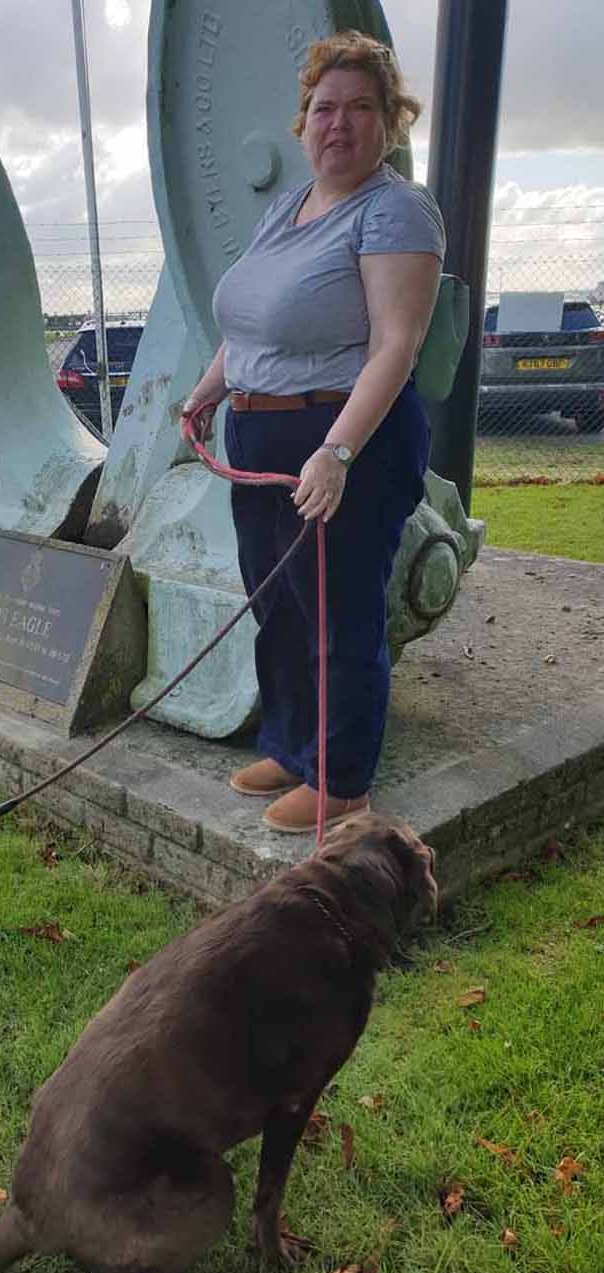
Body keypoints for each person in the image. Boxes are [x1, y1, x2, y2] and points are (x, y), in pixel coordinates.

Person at [181, 30, 446, 835]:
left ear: (389, 122)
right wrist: (204, 394)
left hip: (344, 438)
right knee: (278, 604)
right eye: (324, 109)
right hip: (259, 436)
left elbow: (396, 346)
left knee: (338, 612)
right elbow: (253, 326)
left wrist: (336, 452)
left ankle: (342, 779)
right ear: (303, 124)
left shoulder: (396, 211)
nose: (339, 124)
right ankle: (294, 748)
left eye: (360, 107)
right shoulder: (285, 211)